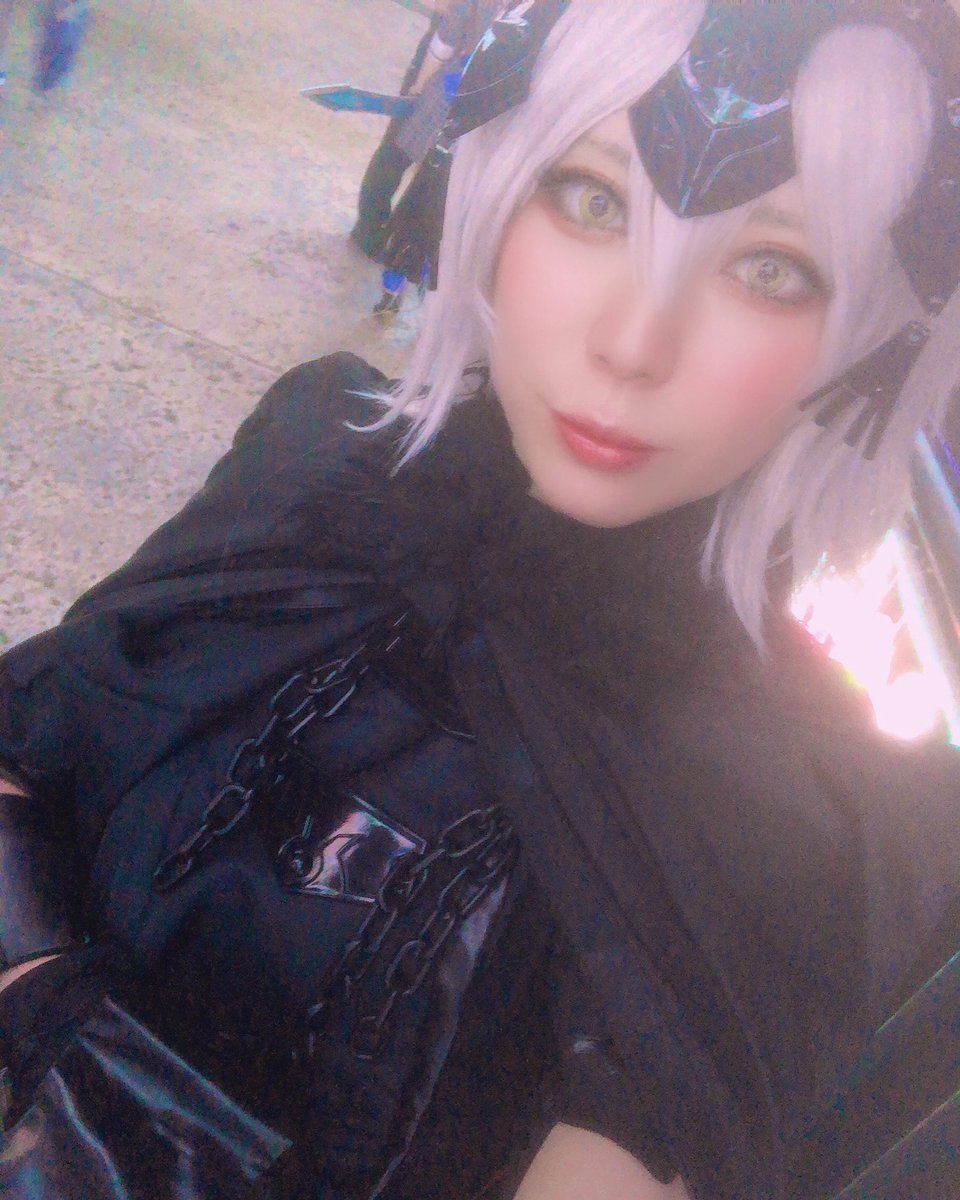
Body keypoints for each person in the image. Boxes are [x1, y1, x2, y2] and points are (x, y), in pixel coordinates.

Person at [2, 3, 960, 1198]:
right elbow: (37, 722)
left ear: (871, 334)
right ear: (500, 187)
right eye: (594, 200)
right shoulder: (318, 459)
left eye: (771, 270)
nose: (634, 341)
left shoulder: (810, 808)